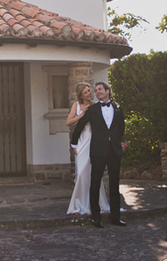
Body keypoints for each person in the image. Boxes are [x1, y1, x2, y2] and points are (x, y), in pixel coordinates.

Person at [71, 81, 128, 228]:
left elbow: (121, 128)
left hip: (114, 150)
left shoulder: (118, 108)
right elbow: (80, 125)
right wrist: (74, 143)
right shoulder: (93, 109)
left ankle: (116, 217)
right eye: (95, 90)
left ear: (107, 91)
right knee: (95, 183)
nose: (97, 92)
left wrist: (118, 142)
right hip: (97, 150)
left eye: (100, 89)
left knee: (114, 184)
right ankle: (96, 217)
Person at [66, 82, 109, 216]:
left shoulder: (96, 105)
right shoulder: (76, 106)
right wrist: (82, 115)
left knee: (94, 172)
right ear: (81, 95)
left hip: (94, 140)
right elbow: (68, 122)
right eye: (86, 92)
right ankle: (79, 204)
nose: (89, 94)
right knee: (80, 173)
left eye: (89, 91)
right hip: (81, 141)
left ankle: (96, 204)